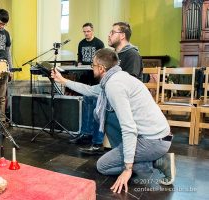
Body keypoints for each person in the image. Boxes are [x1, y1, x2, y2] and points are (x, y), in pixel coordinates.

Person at [51, 48, 175, 192]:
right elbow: (90, 90)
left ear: (102, 68)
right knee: (105, 114)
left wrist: (128, 168)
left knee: (103, 166)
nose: (92, 68)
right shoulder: (117, 76)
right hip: (157, 137)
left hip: (153, 141)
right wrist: (63, 80)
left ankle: (156, 162)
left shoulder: (113, 86)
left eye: (93, 65)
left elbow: (129, 128)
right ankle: (136, 157)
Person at [77, 22, 143, 155]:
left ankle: (97, 143)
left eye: (112, 32)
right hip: (111, 91)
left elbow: (131, 82)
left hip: (124, 97)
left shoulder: (132, 55)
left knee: (97, 100)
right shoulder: (115, 55)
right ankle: (87, 134)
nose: (109, 35)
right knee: (88, 96)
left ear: (122, 35)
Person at [69, 23, 105, 151]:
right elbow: (79, 59)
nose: (86, 34)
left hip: (95, 77)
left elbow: (102, 61)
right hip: (84, 76)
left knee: (95, 106)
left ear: (92, 31)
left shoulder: (99, 43)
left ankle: (95, 136)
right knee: (85, 103)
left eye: (88, 31)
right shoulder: (81, 43)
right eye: (84, 31)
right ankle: (85, 132)